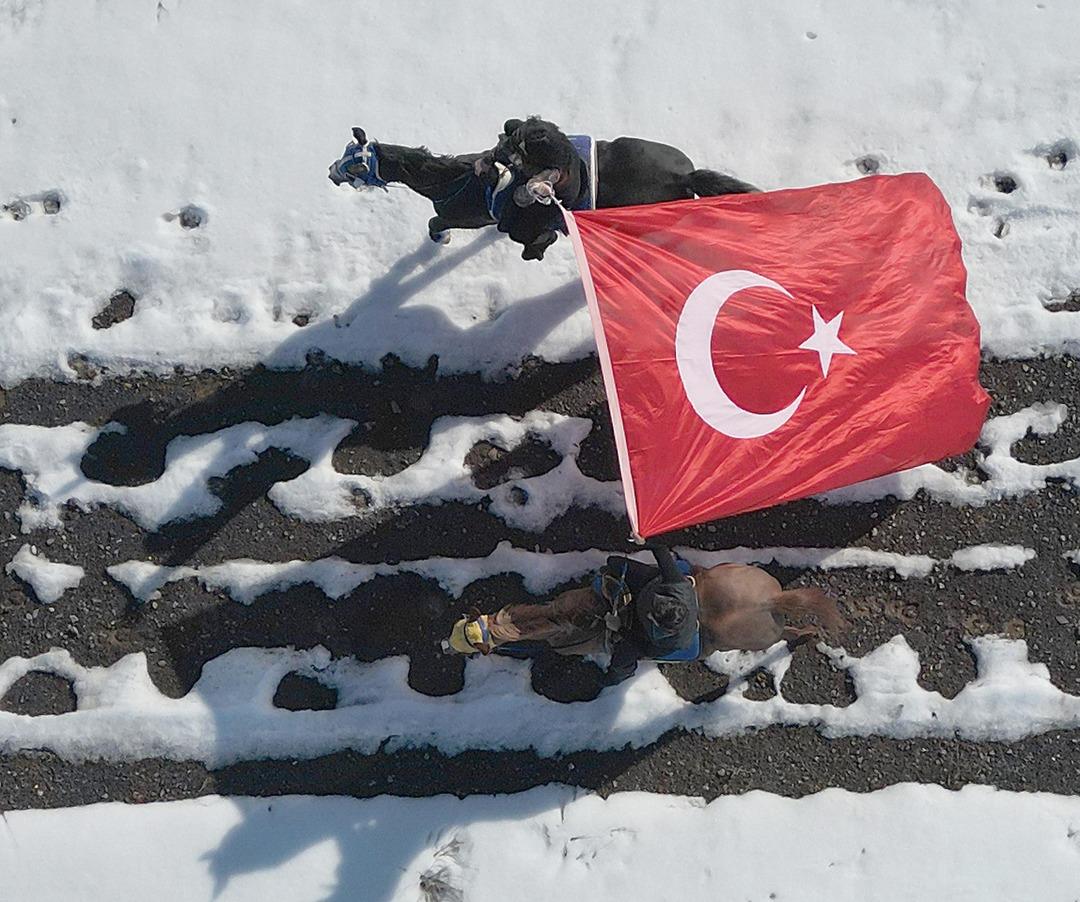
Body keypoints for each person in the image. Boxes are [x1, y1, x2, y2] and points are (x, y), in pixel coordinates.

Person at [445, 543, 700, 685]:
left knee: (581, 636)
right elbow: (663, 556)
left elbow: (634, 644)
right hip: (636, 602)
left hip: (632, 626)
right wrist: (649, 539)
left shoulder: (672, 637)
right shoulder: (675, 587)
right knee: (559, 617)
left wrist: (615, 669)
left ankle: (614, 676)